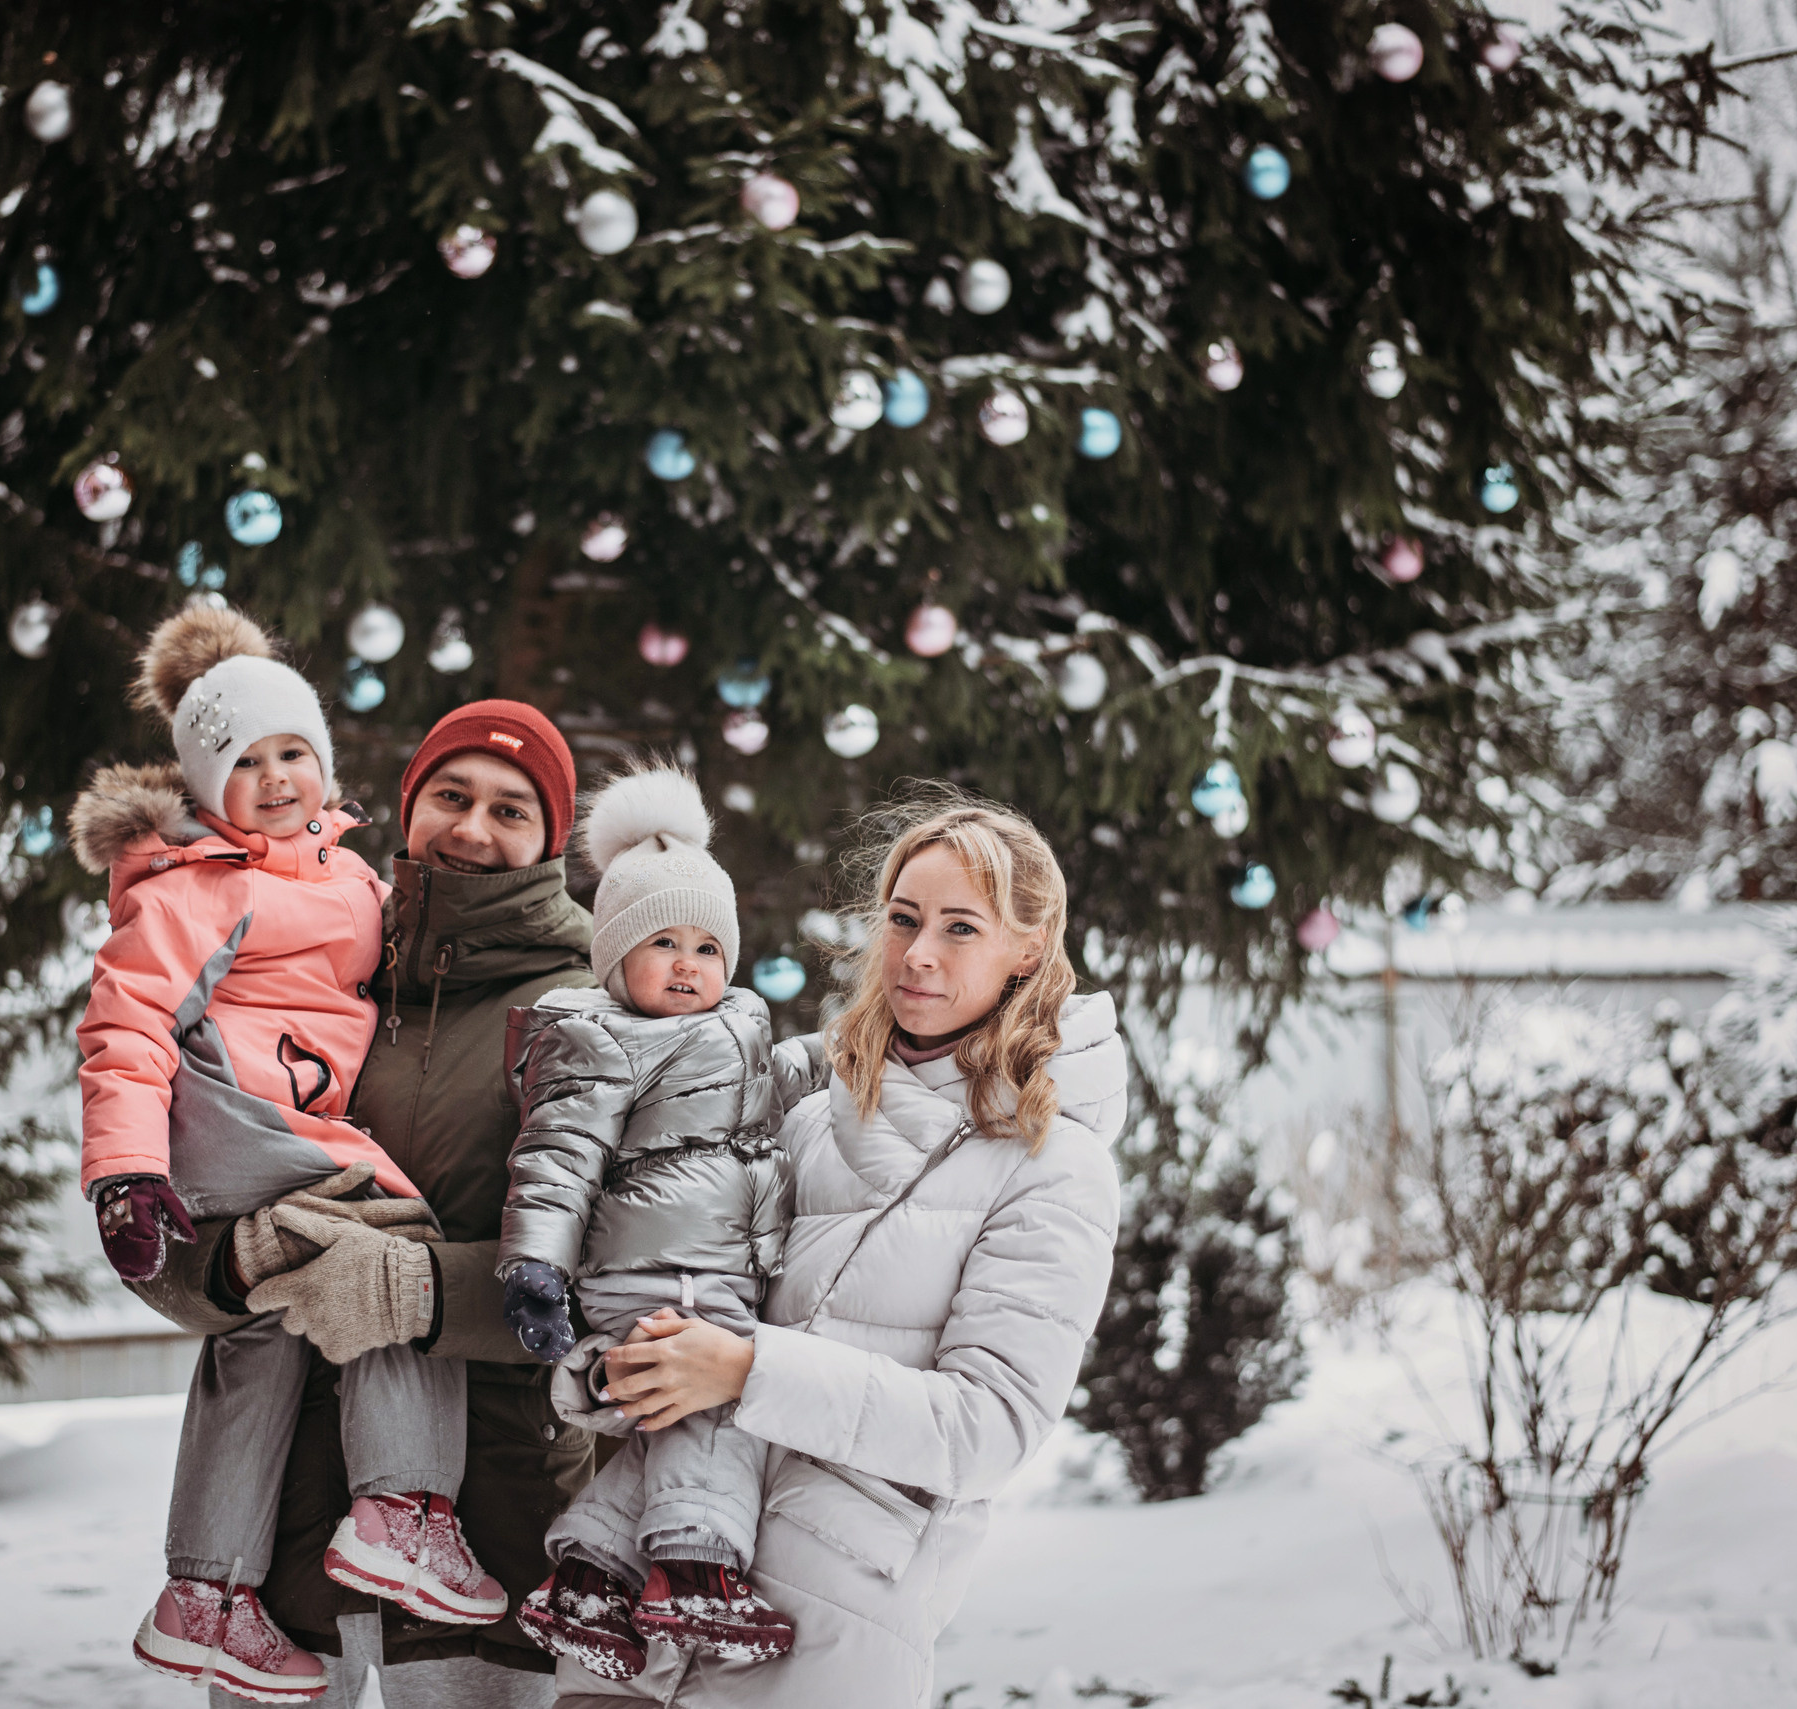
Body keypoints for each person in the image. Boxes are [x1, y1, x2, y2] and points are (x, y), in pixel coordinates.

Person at [548, 789, 1126, 1709]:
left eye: (960, 927)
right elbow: (697, 1295)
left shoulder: (1055, 1165)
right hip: (640, 1625)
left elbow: (985, 1429)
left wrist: (748, 1368)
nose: (919, 952)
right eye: (903, 918)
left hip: (825, 1638)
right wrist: (627, 1369)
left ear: (1027, 948)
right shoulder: (807, 1115)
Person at [68, 607, 506, 1704]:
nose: (273, 779)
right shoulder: (195, 885)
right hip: (245, 1120)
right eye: (244, 762)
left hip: (278, 1120)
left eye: (292, 753)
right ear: (205, 787)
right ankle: (403, 1506)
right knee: (392, 1245)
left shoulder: (350, 878)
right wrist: (123, 1170)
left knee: (261, 1330)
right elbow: (124, 1026)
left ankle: (207, 1587)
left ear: (324, 763)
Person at [219, 701, 602, 1709]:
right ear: (408, 803)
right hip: (279, 1537)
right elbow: (182, 1185)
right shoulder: (310, 966)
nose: (472, 828)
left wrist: (413, 1290)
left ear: (551, 841)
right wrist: (228, 1259)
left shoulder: (584, 1011)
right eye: (451, 795)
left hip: (492, 1532)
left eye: (510, 809)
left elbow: (622, 1281)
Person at [491, 766, 796, 1679]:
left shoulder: (740, 1025)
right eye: (662, 941)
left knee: (671, 1414)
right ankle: (696, 1570)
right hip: (657, 1274)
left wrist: (863, 1051)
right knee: (718, 1405)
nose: (688, 963)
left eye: (706, 945)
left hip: (711, 1268)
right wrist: (534, 1266)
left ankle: (590, 1575)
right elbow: (556, 1156)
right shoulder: (600, 1040)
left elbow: (788, 1080)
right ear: (615, 956)